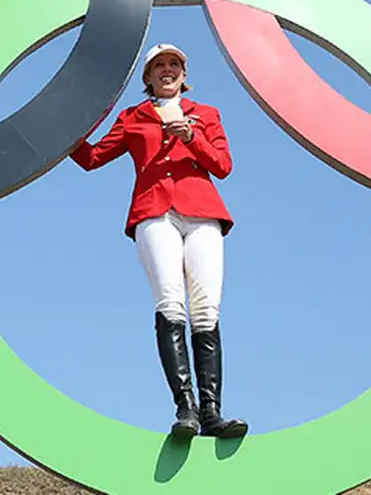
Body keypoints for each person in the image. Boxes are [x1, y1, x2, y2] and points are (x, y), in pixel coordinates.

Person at [68, 44, 247, 440]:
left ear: (184, 74)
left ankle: (212, 412)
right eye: (158, 66)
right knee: (170, 303)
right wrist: (63, 132)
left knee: (207, 310)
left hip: (202, 213)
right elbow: (94, 157)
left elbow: (223, 165)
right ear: (147, 78)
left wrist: (192, 138)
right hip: (154, 212)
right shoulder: (133, 117)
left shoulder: (207, 114)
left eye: (174, 65)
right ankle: (186, 409)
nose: (167, 71)